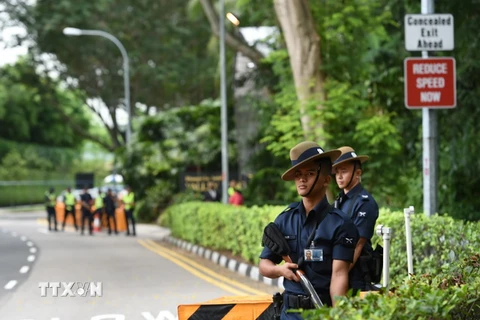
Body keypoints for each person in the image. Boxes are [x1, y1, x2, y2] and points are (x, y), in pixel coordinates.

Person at [259, 141, 359, 318]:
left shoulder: (341, 224)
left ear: (326, 179)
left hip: (321, 311)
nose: (302, 179)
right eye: (298, 174)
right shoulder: (284, 219)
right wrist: (281, 270)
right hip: (289, 313)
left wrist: (338, 315)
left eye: (310, 173)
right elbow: (265, 265)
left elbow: (339, 277)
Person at [332, 146, 379, 291]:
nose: (339, 176)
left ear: (358, 173)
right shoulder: (340, 200)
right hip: (339, 273)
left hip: (355, 277)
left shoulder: (365, 203)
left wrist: (337, 276)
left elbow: (358, 245)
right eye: (337, 172)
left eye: (344, 171)